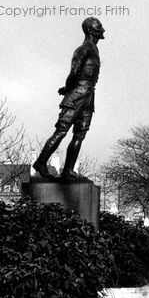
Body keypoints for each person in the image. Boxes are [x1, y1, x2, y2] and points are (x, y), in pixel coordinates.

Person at [33, 17, 105, 179]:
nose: (103, 30)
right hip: (77, 94)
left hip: (89, 95)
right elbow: (74, 72)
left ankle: (68, 170)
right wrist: (67, 89)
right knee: (62, 130)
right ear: (90, 30)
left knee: (80, 134)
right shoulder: (84, 49)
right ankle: (41, 162)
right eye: (99, 27)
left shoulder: (94, 49)